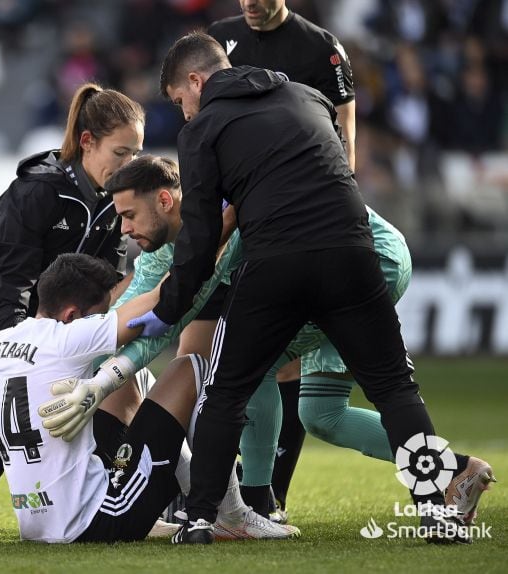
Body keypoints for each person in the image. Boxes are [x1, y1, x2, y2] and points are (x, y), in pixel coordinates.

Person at [133, 31, 466, 544]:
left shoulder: (203, 130)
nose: (184, 114)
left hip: (277, 264)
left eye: (180, 101)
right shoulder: (308, 98)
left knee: (226, 389)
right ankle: (437, 514)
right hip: (354, 255)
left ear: (196, 81)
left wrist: (170, 305)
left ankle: (200, 519)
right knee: (395, 389)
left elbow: (199, 235)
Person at [102, 155, 495, 529]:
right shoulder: (160, 249)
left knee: (256, 365)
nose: (124, 229)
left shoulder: (218, 216)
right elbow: (131, 310)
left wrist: (105, 376)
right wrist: (83, 351)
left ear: (166, 200)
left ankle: (258, 504)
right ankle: (456, 470)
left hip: (362, 261)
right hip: (357, 257)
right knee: (323, 415)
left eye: (129, 216)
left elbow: (187, 304)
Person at [176, 0, 358, 518]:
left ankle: (266, 495)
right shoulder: (218, 38)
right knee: (196, 351)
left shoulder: (321, 49)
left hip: (289, 224)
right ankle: (197, 488)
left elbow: (344, 137)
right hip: (235, 215)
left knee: (277, 365)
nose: (251, 3)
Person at [0, 83, 143, 539]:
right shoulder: (40, 189)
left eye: (136, 153)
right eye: (122, 152)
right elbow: (10, 280)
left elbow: (106, 283)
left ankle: (104, 490)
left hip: (46, 306)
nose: (129, 164)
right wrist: (19, 345)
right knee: (15, 392)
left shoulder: (113, 201)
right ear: (88, 142)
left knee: (94, 383)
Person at [0, 253, 295, 543]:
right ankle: (231, 515)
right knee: (192, 367)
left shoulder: (4, 341)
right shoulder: (68, 338)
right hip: (100, 518)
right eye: (99, 315)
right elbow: (161, 298)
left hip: (34, 523)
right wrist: (215, 235)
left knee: (128, 376)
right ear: (72, 315)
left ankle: (192, 496)